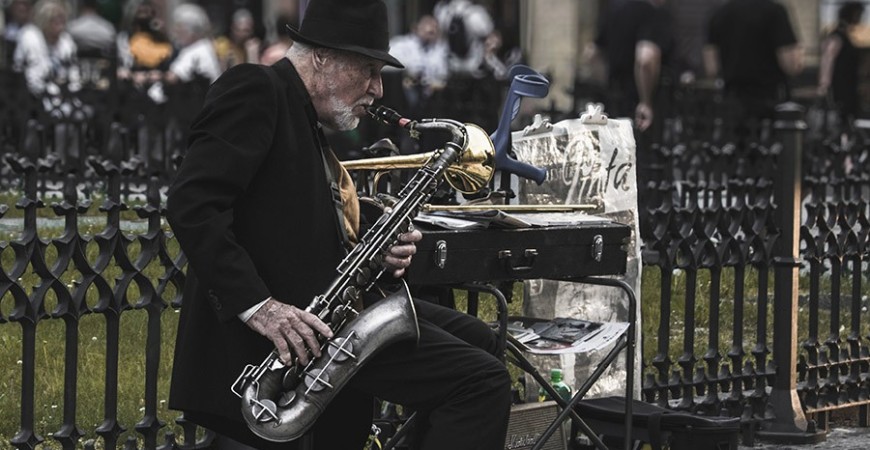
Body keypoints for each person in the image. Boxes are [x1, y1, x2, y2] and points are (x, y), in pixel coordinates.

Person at [165, 1, 512, 449]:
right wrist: (262, 308)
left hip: (331, 313)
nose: (378, 88)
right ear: (323, 56)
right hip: (295, 334)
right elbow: (193, 204)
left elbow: (292, 217)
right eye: (368, 69)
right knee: (482, 382)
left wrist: (374, 247)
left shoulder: (304, 114)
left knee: (480, 338)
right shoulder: (255, 88)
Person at [704, 0, 804, 124]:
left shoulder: (719, 13)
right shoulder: (775, 12)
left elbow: (711, 68)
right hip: (770, 101)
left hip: (733, 101)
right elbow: (791, 64)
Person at [585, 0, 671, 132]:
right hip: (637, 105)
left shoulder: (613, 10)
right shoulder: (653, 13)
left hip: (611, 101)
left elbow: (591, 53)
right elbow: (646, 59)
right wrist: (645, 102)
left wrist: (606, 84)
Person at [388, 14, 449, 118]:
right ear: (415, 28)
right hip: (404, 91)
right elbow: (388, 62)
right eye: (427, 25)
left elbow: (443, 74)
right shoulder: (401, 44)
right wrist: (408, 70)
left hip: (430, 96)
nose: (431, 29)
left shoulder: (440, 49)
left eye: (435, 27)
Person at [12, 0, 78, 95]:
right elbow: (34, 78)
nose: (60, 23)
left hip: (64, 96)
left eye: (62, 18)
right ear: (44, 19)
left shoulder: (66, 41)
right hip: (32, 98)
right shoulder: (30, 37)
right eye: (55, 19)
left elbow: (73, 74)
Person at [818, 1, 866, 124]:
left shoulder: (844, 36)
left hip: (848, 87)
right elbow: (827, 61)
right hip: (840, 88)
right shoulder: (837, 37)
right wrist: (824, 86)